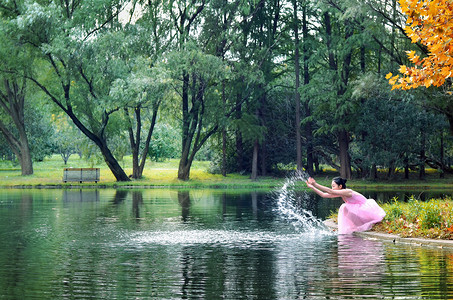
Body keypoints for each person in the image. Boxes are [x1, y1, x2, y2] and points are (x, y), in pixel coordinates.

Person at [306, 177, 386, 234]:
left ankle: (365, 223)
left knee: (345, 206)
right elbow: (324, 194)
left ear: (340, 186)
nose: (332, 188)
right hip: (359, 210)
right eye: (332, 186)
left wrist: (315, 184)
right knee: (345, 207)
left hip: (366, 209)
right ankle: (356, 225)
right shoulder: (341, 193)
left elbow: (330, 191)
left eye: (333, 186)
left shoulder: (347, 191)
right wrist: (312, 187)